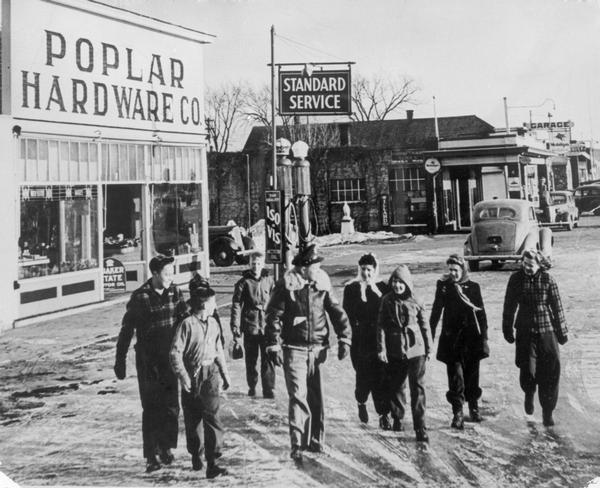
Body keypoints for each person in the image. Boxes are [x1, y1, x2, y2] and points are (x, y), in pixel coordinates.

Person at [265, 244, 352, 461]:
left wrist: (345, 338)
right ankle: (297, 443)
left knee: (317, 398)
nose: (319, 267)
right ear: (304, 267)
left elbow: (336, 311)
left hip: (319, 349)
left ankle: (316, 441)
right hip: (294, 350)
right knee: (298, 396)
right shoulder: (286, 285)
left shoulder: (321, 283)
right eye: (315, 264)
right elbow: (273, 316)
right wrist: (273, 344)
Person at [114, 254, 188, 472]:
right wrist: (120, 360)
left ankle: (166, 447)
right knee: (152, 407)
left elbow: (185, 323)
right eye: (166, 273)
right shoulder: (140, 297)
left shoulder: (175, 292)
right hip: (148, 360)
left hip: (171, 358)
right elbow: (127, 329)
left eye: (171, 273)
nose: (170, 277)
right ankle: (151, 455)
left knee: (172, 407)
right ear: (154, 274)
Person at [502, 249, 568, 427]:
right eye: (524, 264)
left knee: (551, 370)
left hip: (547, 330)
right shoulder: (516, 279)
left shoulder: (548, 279)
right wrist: (507, 328)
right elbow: (509, 305)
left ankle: (547, 412)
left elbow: (557, 306)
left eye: (530, 265)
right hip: (525, 331)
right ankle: (529, 393)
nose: (527, 268)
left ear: (539, 264)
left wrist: (562, 332)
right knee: (528, 369)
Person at [170, 287, 230, 479]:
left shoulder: (213, 323)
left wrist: (225, 374)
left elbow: (218, 349)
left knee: (212, 415)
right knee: (193, 417)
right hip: (192, 373)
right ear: (204, 304)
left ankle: (213, 462)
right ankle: (196, 453)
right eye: (213, 302)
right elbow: (174, 353)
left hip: (210, 373)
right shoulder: (186, 325)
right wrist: (184, 377)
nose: (215, 305)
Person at [430, 254, 489, 429]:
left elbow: (481, 314)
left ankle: (473, 407)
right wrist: (429, 336)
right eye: (450, 270)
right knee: (456, 378)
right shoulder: (444, 287)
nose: (453, 273)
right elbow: (435, 312)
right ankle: (457, 412)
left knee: (472, 375)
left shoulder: (473, 287)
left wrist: (484, 338)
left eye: (456, 270)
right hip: (452, 340)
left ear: (463, 270)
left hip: (471, 339)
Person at [377, 266, 432, 443]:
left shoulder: (417, 299)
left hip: (416, 350)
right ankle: (398, 418)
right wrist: (381, 349)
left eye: (401, 282)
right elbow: (381, 326)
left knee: (418, 388)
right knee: (397, 386)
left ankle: (420, 426)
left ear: (407, 283)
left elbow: (425, 325)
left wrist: (429, 347)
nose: (397, 285)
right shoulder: (386, 300)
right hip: (395, 350)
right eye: (394, 281)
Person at [343, 253, 394, 430]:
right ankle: (361, 402)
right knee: (363, 377)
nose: (366, 273)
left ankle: (383, 414)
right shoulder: (351, 288)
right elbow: (346, 315)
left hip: (380, 340)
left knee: (381, 378)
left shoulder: (383, 288)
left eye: (369, 269)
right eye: (363, 269)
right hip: (360, 341)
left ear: (375, 270)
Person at [230, 251, 276, 398]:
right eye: (253, 263)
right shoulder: (243, 283)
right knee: (251, 360)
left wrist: (278, 323)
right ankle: (252, 386)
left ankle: (269, 389)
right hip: (250, 325)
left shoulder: (269, 280)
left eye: (258, 263)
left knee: (268, 360)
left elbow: (276, 303)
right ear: (249, 264)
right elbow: (236, 305)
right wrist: (236, 328)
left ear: (262, 264)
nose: (255, 266)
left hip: (267, 327)